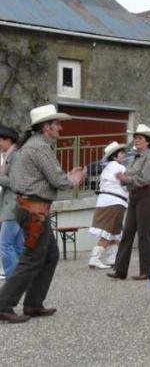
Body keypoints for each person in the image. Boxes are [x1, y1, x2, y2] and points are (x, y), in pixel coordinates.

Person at [0, 104, 86, 323]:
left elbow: (42, 179)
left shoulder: (30, 146)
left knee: (49, 255)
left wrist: (66, 178)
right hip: (34, 210)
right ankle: (4, 304)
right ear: (46, 127)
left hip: (30, 208)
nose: (60, 128)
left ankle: (33, 303)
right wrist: (75, 178)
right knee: (32, 258)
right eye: (57, 124)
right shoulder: (40, 148)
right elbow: (59, 181)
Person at [108, 124, 150, 281]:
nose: (136, 141)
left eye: (140, 138)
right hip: (136, 194)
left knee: (145, 233)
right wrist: (124, 179)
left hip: (147, 195)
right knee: (128, 231)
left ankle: (147, 271)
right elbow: (130, 177)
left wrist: (126, 179)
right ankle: (120, 269)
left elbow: (145, 179)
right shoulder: (134, 158)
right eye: (135, 138)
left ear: (147, 142)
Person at [88, 142, 128, 269]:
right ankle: (95, 258)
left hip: (110, 201)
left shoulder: (108, 167)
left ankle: (112, 258)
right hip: (114, 202)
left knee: (115, 231)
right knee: (108, 231)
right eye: (122, 154)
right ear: (115, 157)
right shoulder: (119, 167)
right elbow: (124, 182)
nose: (125, 155)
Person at [0, 125, 24, 279]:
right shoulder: (10, 155)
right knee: (18, 245)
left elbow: (17, 182)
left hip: (13, 206)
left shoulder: (15, 156)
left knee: (4, 244)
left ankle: (13, 280)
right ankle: (25, 277)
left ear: (8, 140)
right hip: (15, 206)